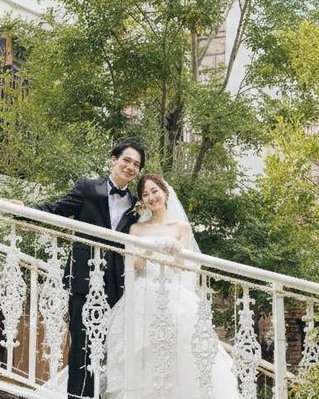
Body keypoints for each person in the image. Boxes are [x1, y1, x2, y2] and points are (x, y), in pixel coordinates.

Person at [104, 173, 240, 399]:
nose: (151, 197)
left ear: (165, 193)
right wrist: (149, 252)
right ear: (142, 200)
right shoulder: (137, 229)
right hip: (143, 293)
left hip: (172, 292)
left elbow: (181, 268)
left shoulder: (181, 227)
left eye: (154, 191)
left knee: (179, 348)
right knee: (142, 351)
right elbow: (135, 265)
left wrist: (174, 252)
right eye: (145, 194)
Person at [35, 139, 145, 399]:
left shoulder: (136, 204)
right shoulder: (87, 188)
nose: (130, 167)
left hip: (117, 285)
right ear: (113, 160)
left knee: (107, 349)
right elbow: (57, 210)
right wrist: (24, 211)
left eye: (136, 164)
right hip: (84, 278)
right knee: (81, 347)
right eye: (126, 160)